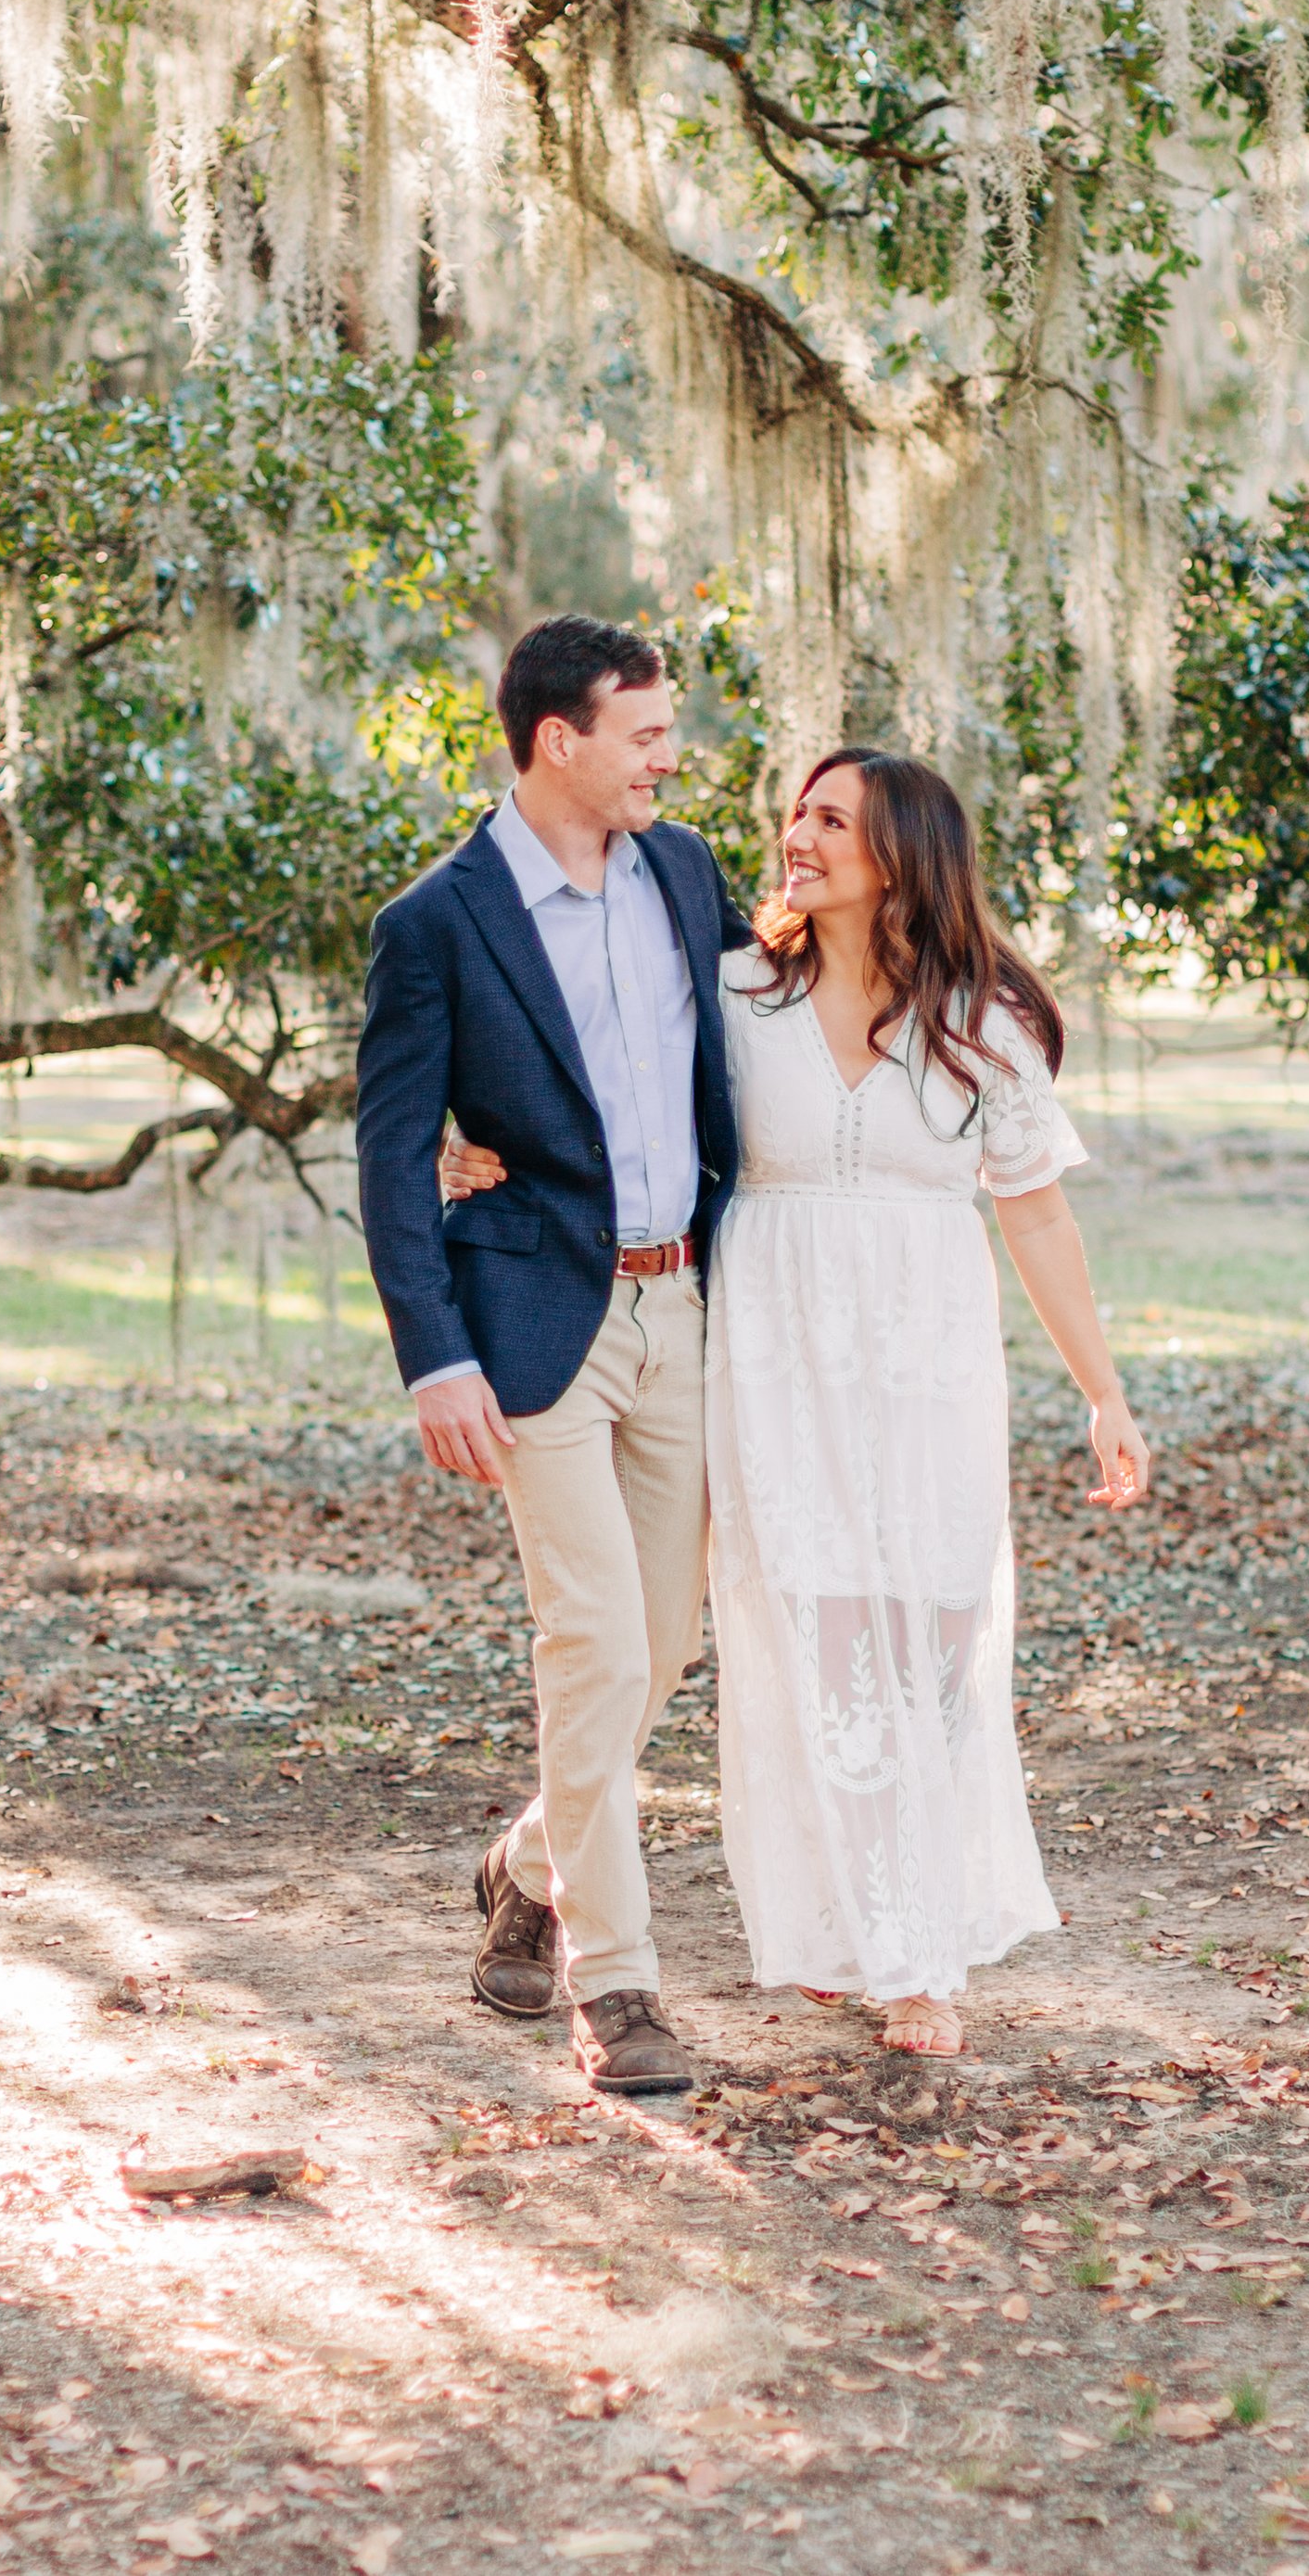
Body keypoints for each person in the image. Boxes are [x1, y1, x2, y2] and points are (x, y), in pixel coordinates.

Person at [447, 746, 1150, 2060]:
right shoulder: (734, 992)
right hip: (766, 1360)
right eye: (798, 811)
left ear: (901, 856)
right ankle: (905, 1961)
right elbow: (588, 1066)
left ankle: (558, 1856)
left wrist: (1102, 1393)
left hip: (931, 1366)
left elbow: (1039, 1215)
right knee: (822, 1649)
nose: (797, 834)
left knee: (935, 1653)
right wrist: (465, 1130)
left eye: (833, 818)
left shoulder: (981, 1020)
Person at [355, 615, 753, 2096]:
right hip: (532, 1328)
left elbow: (766, 1035)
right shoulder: (438, 924)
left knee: (663, 1644)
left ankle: (526, 1861)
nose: (669, 755)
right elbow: (396, 1157)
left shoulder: (686, 871)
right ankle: (620, 1982)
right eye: (645, 732)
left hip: (689, 1308)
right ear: (558, 741)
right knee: (592, 1637)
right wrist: (430, 1354)